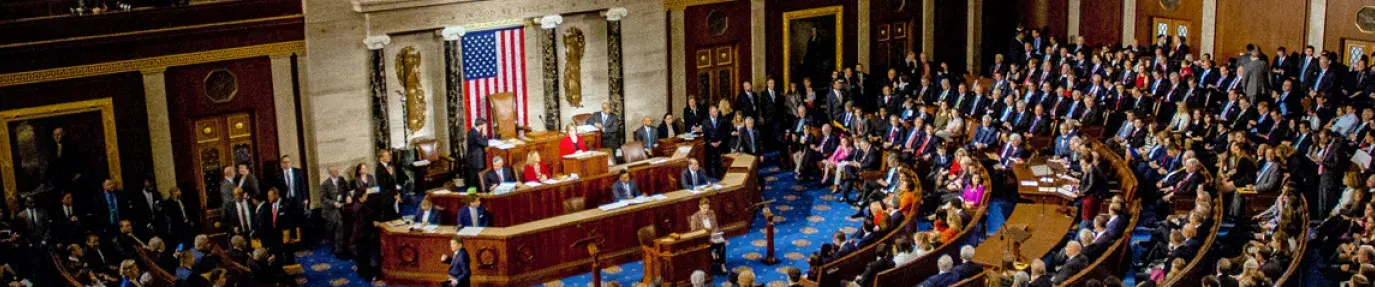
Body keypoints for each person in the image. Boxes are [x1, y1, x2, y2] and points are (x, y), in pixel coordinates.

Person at [256, 188, 293, 262]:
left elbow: (290, 220)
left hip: (284, 233)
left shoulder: (286, 204)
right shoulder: (267, 206)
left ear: (276, 195)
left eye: (270, 196)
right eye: (268, 196)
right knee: (277, 255)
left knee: (287, 254)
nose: (268, 198)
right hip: (273, 235)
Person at [319, 166, 349, 255]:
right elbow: (323, 199)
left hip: (342, 206)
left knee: (342, 224)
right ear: (330, 173)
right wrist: (333, 203)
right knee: (338, 224)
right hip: (331, 210)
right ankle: (338, 249)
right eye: (335, 171)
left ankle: (341, 246)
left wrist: (348, 196)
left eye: (337, 170)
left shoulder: (341, 180)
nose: (337, 172)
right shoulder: (325, 184)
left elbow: (348, 190)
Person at [702, 105, 730, 177]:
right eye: (714, 112)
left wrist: (720, 142)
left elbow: (725, 133)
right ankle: (710, 177)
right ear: (710, 113)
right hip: (710, 145)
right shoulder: (705, 122)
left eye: (716, 111)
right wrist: (711, 143)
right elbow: (705, 135)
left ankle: (719, 176)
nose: (716, 113)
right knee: (709, 162)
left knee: (719, 163)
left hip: (720, 144)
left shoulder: (722, 120)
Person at [466, 118, 491, 186]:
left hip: (474, 159)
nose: (485, 127)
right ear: (480, 125)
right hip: (476, 160)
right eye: (484, 125)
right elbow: (485, 143)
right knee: (475, 178)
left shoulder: (473, 131)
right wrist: (485, 134)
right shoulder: (475, 134)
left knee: (474, 177)